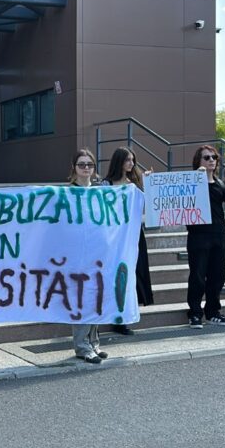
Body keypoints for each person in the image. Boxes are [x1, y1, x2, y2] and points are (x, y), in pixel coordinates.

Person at [101, 147, 154, 336]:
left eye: (132, 160)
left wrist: (150, 183)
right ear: (119, 162)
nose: (131, 164)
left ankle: (123, 317)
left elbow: (147, 205)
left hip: (134, 235)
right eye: (127, 160)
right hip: (115, 237)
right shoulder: (106, 184)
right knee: (116, 275)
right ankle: (114, 316)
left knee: (131, 275)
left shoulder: (135, 182)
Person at [185, 146, 225, 329]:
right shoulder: (189, 183)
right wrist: (195, 179)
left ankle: (213, 311)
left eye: (214, 157)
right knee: (198, 275)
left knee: (218, 275)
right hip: (198, 236)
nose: (211, 160)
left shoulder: (221, 185)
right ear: (198, 161)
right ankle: (195, 313)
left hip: (219, 235)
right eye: (206, 157)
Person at [68, 148, 106, 363]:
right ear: (74, 168)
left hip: (99, 253)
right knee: (81, 300)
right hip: (77, 255)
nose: (85, 168)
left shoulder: (101, 192)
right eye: (81, 164)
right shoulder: (67, 193)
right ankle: (82, 346)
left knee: (96, 299)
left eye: (89, 164)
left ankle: (94, 343)